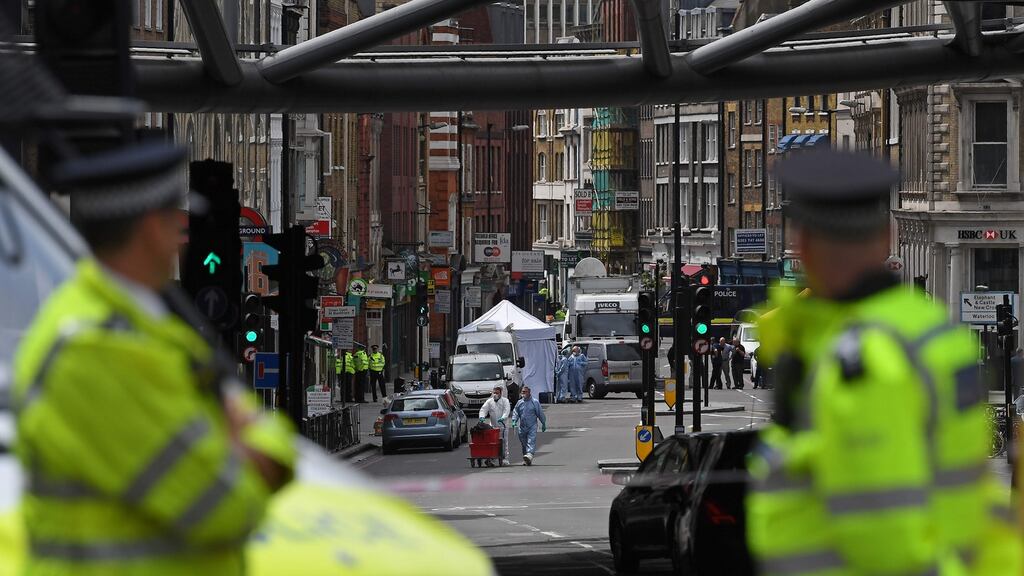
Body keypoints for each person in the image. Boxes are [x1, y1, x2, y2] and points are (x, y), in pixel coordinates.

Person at [12, 144, 296, 574]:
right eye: (175, 220)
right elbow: (226, 507)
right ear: (150, 228)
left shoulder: (135, 322)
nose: (183, 234)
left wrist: (240, 438)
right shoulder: (103, 348)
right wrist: (259, 439)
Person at [747, 150, 1019, 576]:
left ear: (804, 246)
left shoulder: (861, 360)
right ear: (884, 241)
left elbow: (888, 536)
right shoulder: (931, 330)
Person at [511, 386, 547, 466]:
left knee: (531, 440)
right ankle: (526, 458)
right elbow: (516, 412)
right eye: (522, 392)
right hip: (522, 426)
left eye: (525, 392)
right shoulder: (519, 402)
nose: (523, 393)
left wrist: (543, 423)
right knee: (524, 443)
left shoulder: (535, 402)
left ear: (529, 392)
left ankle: (530, 454)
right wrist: (514, 421)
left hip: (532, 426)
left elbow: (540, 413)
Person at [478, 385, 511, 466]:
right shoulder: (489, 401)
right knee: (492, 444)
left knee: (503, 443)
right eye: (494, 392)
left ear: (501, 393)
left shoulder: (505, 401)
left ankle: (505, 459)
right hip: (493, 427)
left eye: (497, 393)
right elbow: (483, 409)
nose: (495, 394)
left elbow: (506, 411)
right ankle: (491, 459)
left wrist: (503, 418)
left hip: (503, 427)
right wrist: (482, 417)